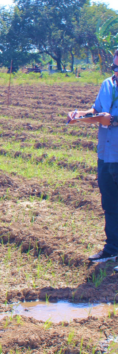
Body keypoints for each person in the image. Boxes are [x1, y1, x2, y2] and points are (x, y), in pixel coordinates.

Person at [67, 49, 118, 267]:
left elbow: (108, 118)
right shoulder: (108, 84)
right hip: (106, 154)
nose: (117, 71)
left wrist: (113, 120)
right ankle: (112, 250)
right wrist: (80, 115)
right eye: (115, 67)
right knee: (110, 204)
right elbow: (97, 109)